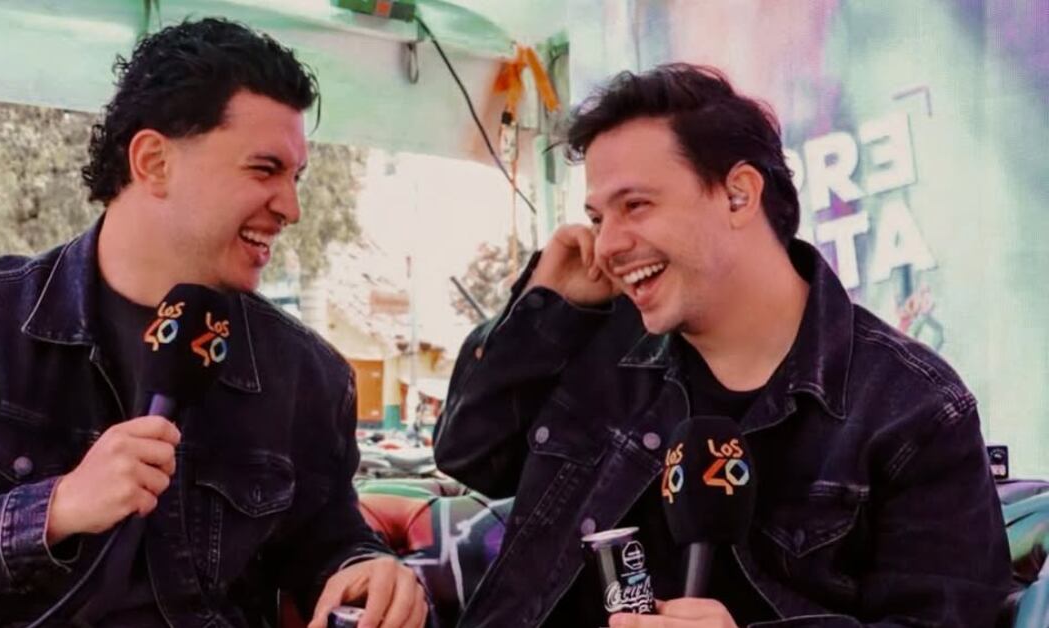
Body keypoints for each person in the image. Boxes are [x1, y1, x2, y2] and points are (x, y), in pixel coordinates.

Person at [0, 18, 427, 628]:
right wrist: (55, 508)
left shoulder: (307, 374)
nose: (292, 207)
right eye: (264, 170)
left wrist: (366, 569)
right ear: (153, 161)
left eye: (295, 177)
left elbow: (327, 544)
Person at [433, 64, 1011, 627]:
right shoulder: (594, 339)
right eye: (597, 217)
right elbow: (470, 454)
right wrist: (543, 304)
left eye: (635, 205)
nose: (606, 245)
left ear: (738, 195)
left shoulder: (912, 409)